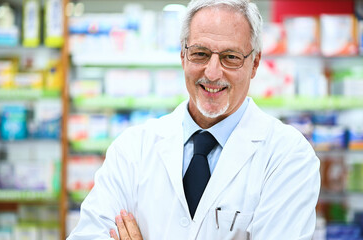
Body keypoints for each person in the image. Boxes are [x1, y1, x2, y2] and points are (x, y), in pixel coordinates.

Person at [67, 0, 321, 239]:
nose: (212, 72)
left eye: (230, 57)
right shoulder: (132, 149)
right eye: (200, 53)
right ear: (182, 56)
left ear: (254, 64)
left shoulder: (288, 156)